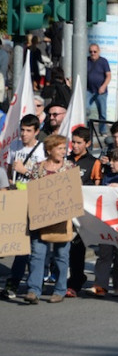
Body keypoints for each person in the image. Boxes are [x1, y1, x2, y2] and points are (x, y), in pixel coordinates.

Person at [23, 135, 75, 304]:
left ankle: (60, 290)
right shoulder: (38, 168)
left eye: (63, 148)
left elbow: (74, 192)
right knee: (37, 254)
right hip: (41, 219)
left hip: (61, 220)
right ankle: (33, 290)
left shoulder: (69, 167)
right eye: (59, 148)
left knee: (61, 255)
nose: (63, 151)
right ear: (50, 149)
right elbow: (31, 190)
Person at [0, 114, 46, 300]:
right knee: (19, 243)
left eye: (28, 131)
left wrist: (25, 171)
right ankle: (14, 281)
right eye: (22, 130)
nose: (24, 134)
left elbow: (44, 177)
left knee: (36, 244)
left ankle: (34, 286)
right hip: (17, 198)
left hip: (35, 199)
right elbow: (10, 171)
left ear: (36, 131)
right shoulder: (14, 146)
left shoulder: (41, 150)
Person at [88, 147, 118, 297]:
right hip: (107, 222)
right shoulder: (107, 177)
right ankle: (100, 285)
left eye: (115, 161)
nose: (112, 163)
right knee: (104, 254)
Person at [66, 126, 102, 297]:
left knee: (77, 248)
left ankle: (75, 282)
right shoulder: (66, 160)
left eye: (79, 143)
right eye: (73, 142)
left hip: (82, 212)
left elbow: (97, 188)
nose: (75, 145)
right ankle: (63, 278)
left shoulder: (94, 163)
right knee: (61, 248)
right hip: (65, 210)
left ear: (87, 143)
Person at [87, 44, 111, 133]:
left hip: (101, 91)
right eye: (91, 52)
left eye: (95, 51)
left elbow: (108, 76)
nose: (93, 53)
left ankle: (103, 131)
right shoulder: (86, 60)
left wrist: (103, 86)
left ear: (99, 51)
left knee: (102, 113)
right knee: (85, 110)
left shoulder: (103, 61)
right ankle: (86, 130)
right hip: (89, 90)